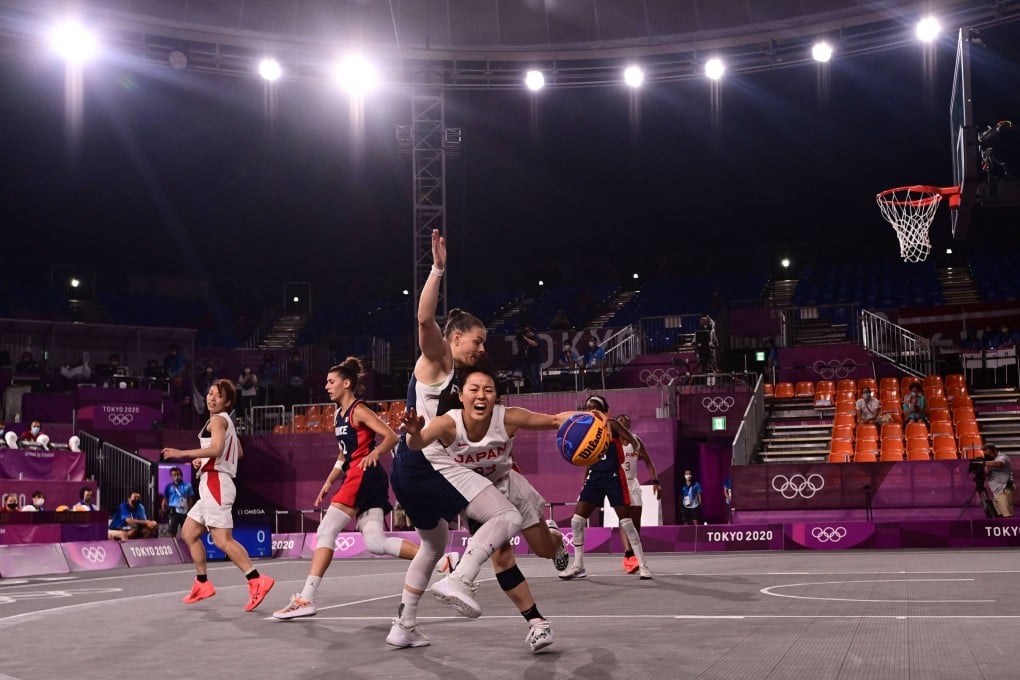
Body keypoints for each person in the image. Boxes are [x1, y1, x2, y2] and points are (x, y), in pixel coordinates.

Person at [386, 228, 516, 649]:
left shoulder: (454, 376)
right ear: (455, 337)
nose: (481, 349)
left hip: (406, 470)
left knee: (433, 541)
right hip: (427, 466)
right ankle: (461, 579)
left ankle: (402, 626)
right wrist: (438, 269)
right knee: (505, 516)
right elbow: (425, 319)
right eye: (477, 341)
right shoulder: (440, 358)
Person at [399, 365, 576, 652]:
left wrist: (588, 418)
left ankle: (555, 539)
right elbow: (417, 442)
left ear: (496, 398)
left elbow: (556, 420)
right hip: (480, 495)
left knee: (545, 550)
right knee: (502, 557)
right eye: (474, 389)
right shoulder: (448, 424)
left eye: (489, 390)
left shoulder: (508, 418)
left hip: (510, 485)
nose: (481, 395)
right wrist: (413, 432)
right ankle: (537, 624)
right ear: (461, 396)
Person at [273, 357, 417, 620]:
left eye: (331, 382)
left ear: (347, 383)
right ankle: (439, 559)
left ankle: (306, 598)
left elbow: (391, 436)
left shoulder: (358, 410)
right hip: (361, 477)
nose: (326, 386)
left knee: (326, 529)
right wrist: (329, 481)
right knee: (375, 542)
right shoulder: (339, 415)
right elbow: (344, 454)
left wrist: (374, 454)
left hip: (362, 476)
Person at [162, 379, 275, 612]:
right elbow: (238, 452)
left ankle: (256, 579)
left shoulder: (217, 420)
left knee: (223, 540)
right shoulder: (224, 422)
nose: (211, 398)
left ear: (228, 401)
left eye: (218, 395)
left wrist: (183, 453)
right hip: (210, 483)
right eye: (210, 393)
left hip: (216, 484)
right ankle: (202, 583)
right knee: (189, 533)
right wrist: (203, 460)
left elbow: (217, 449)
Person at [559, 394, 653, 581]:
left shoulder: (612, 425)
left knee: (626, 522)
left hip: (614, 477)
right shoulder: (583, 428)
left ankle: (642, 564)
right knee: (577, 521)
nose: (592, 411)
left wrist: (629, 443)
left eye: (596, 408)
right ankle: (578, 566)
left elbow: (633, 442)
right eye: (588, 408)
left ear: (605, 411)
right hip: (595, 477)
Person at [614, 414, 660, 574]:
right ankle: (628, 554)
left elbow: (648, 460)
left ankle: (634, 551)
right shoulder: (612, 441)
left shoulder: (635, 441)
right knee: (624, 519)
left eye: (626, 421)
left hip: (633, 483)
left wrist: (656, 481)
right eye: (620, 421)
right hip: (618, 482)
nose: (624, 422)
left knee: (636, 521)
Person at [161, 467, 195, 538]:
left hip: (184, 510)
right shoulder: (168, 486)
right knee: (172, 531)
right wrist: (163, 506)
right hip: (173, 510)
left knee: (185, 530)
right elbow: (165, 498)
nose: (176, 476)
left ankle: (185, 546)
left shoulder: (188, 485)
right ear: (171, 476)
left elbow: (190, 498)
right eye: (174, 475)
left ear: (181, 475)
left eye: (178, 474)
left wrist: (190, 509)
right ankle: (173, 545)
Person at [983, 443, 1014, 518]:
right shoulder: (992, 461)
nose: (989, 456)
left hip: (1005, 487)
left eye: (989, 454)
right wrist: (986, 466)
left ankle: (1008, 527)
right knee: (1000, 514)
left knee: (1006, 513)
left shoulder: (1002, 457)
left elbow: (1000, 464)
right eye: (987, 455)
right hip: (997, 490)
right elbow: (986, 474)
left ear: (994, 450)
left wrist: (984, 462)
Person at [516, 323, 542, 393]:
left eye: (527, 332)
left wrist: (526, 339)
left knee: (535, 375)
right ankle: (534, 388)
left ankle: (538, 389)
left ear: (531, 332)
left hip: (535, 360)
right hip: (528, 360)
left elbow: (535, 344)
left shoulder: (536, 337)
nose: (526, 334)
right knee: (530, 376)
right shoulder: (525, 340)